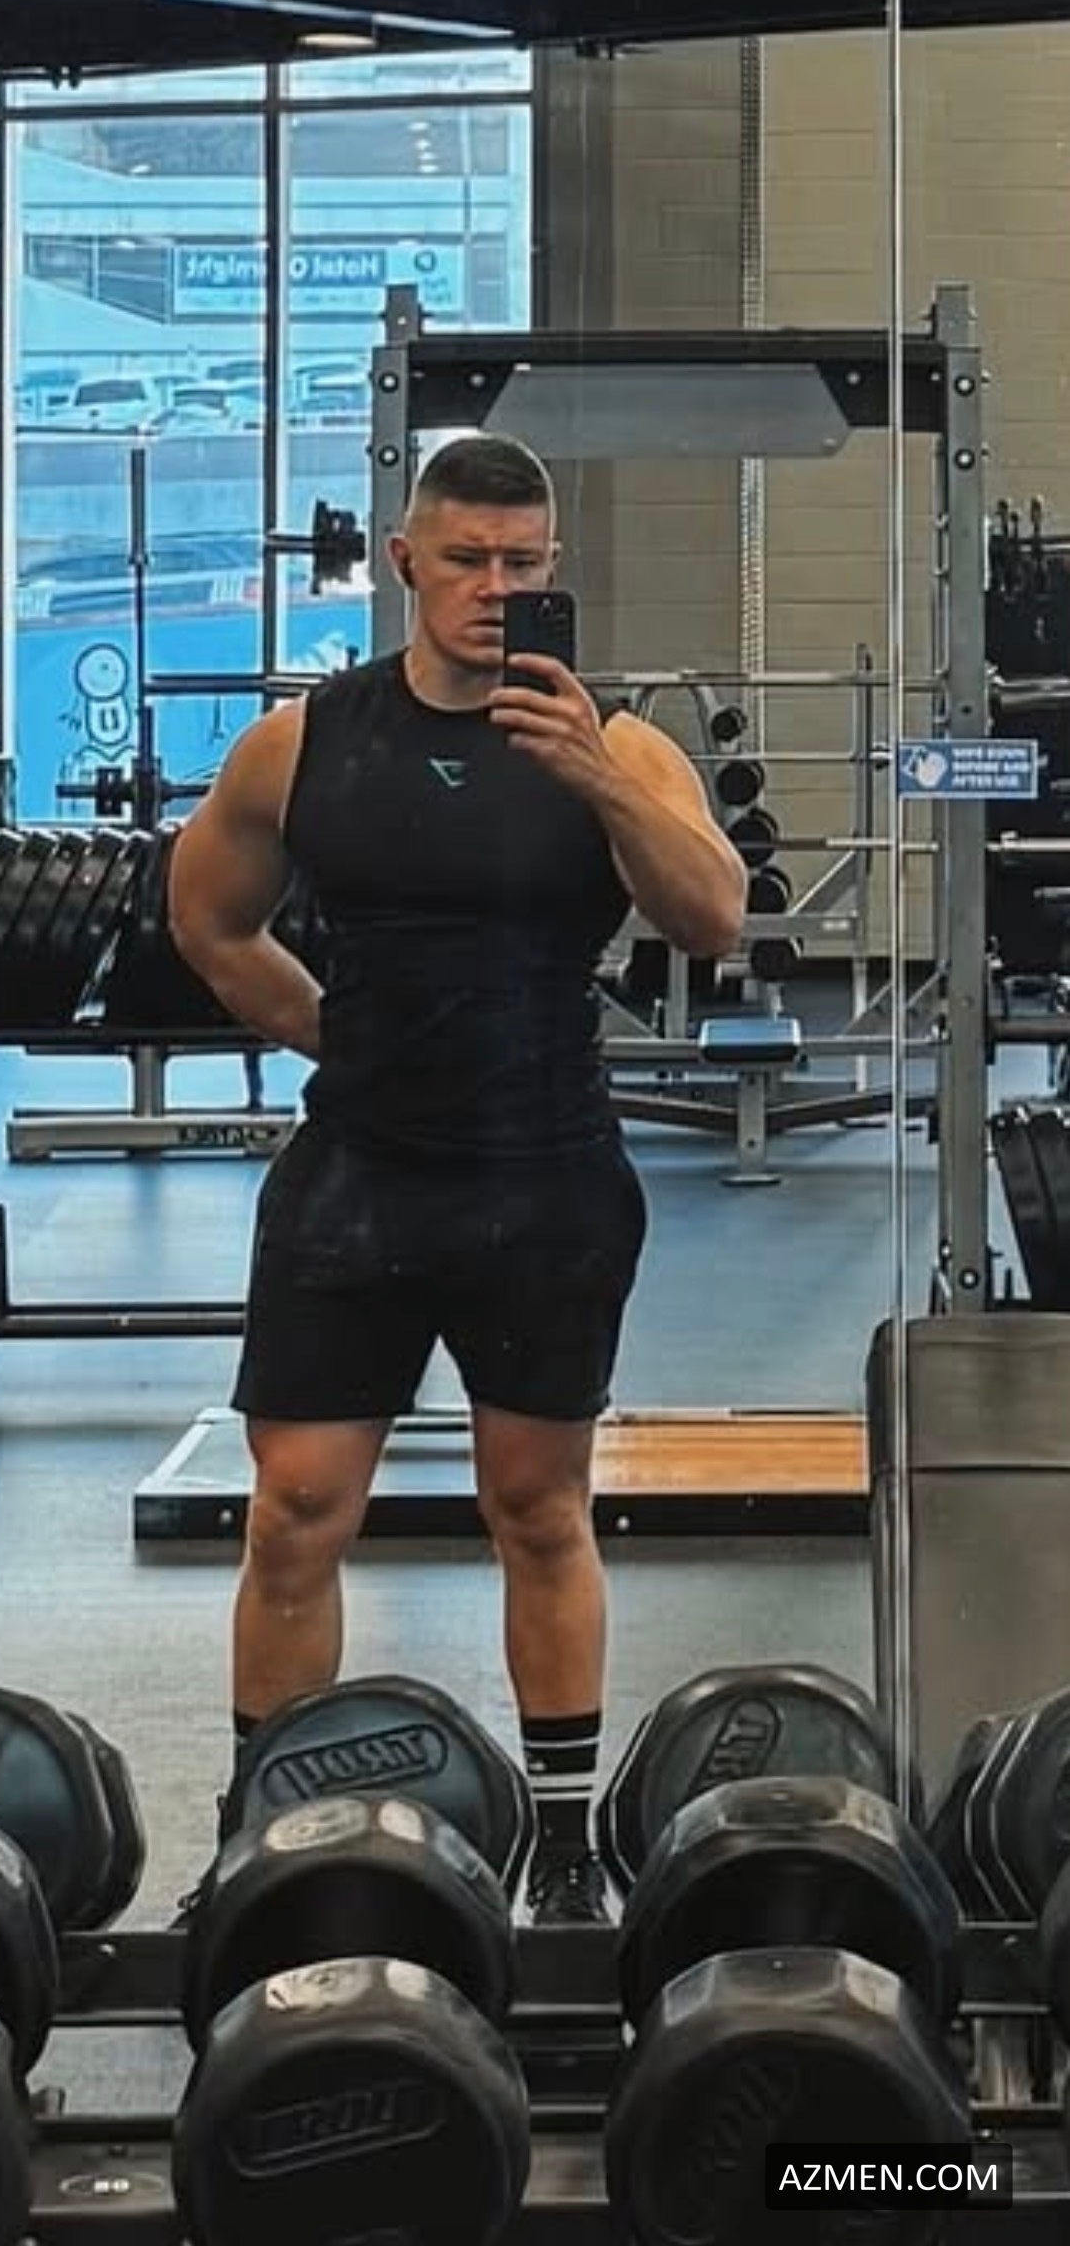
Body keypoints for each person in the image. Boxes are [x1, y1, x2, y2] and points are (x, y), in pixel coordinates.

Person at [168, 433, 746, 1922]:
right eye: (469, 560)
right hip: (358, 1173)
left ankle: (563, 1849)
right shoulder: (305, 742)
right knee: (294, 1509)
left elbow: (713, 918)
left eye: (523, 563)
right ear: (405, 560)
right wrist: (339, 1033)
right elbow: (210, 919)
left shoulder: (618, 744)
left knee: (537, 1509)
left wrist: (596, 781)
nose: (496, 587)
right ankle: (257, 1835)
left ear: (553, 568)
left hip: (545, 1178)